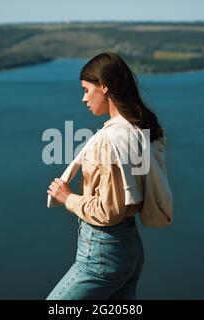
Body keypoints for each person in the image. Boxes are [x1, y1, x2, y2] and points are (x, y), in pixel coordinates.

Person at [46, 52, 166, 300]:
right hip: (129, 248)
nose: (83, 98)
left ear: (104, 86)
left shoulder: (110, 139)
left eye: (86, 90)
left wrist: (67, 198)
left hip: (102, 254)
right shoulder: (137, 130)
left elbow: (108, 211)